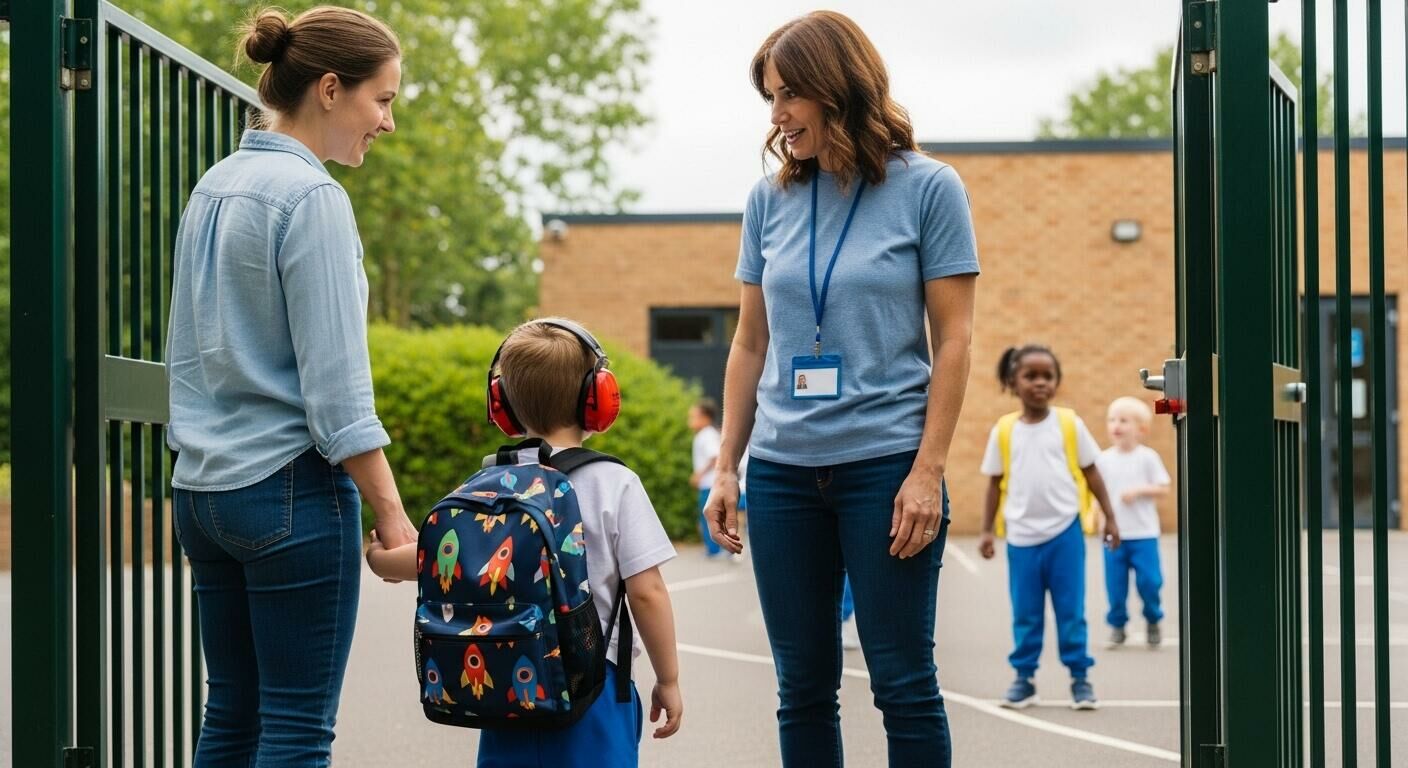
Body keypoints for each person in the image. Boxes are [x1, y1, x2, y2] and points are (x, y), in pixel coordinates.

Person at [703, 11, 979, 766]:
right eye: (769, 99)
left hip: (886, 468)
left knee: (902, 683)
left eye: (789, 95)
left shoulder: (930, 189)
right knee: (802, 686)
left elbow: (953, 341)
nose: (777, 116)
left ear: (839, 87)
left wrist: (928, 471)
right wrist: (728, 463)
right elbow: (749, 342)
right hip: (784, 474)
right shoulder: (769, 201)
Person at [165, 6, 415, 765]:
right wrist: (396, 519)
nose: (388, 123)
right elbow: (338, 395)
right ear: (331, 89)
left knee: (231, 718)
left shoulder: (215, 185)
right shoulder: (312, 200)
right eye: (385, 99)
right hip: (288, 495)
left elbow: (188, 356)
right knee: (298, 731)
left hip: (202, 495)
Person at [366, 318, 684, 767]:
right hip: (594, 686)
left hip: (510, 685)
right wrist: (667, 678)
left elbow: (430, 561)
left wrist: (378, 558)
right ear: (597, 397)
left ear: (502, 405)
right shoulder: (616, 483)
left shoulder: (487, 488)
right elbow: (647, 592)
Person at [978, 345, 1121, 711]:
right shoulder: (1004, 430)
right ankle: (1024, 680)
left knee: (1070, 610)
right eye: (1031, 376)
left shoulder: (1070, 424)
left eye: (1048, 376)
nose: (1040, 383)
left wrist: (1110, 517)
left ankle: (1080, 678)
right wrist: (986, 531)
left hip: (1065, 534)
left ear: (1057, 382)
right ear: (1013, 381)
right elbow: (994, 483)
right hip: (1021, 538)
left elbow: (1092, 472)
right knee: (1026, 612)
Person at [1097, 396, 1171, 649]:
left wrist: (1139, 490)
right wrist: (1100, 522)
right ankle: (1118, 626)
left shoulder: (1147, 457)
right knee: (1115, 586)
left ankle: (1153, 619)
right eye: (1112, 420)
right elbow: (1098, 494)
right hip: (1114, 536)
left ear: (1141, 429)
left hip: (1143, 534)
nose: (1116, 425)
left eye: (1124, 421)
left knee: (1150, 582)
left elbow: (1164, 488)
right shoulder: (1103, 459)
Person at [689, 398, 725, 558]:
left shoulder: (706, 435)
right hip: (709, 483)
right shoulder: (706, 434)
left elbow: (714, 456)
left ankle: (715, 549)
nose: (690, 421)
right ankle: (714, 549)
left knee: (709, 516)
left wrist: (699, 474)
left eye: (693, 417)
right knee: (710, 515)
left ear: (705, 417)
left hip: (710, 484)